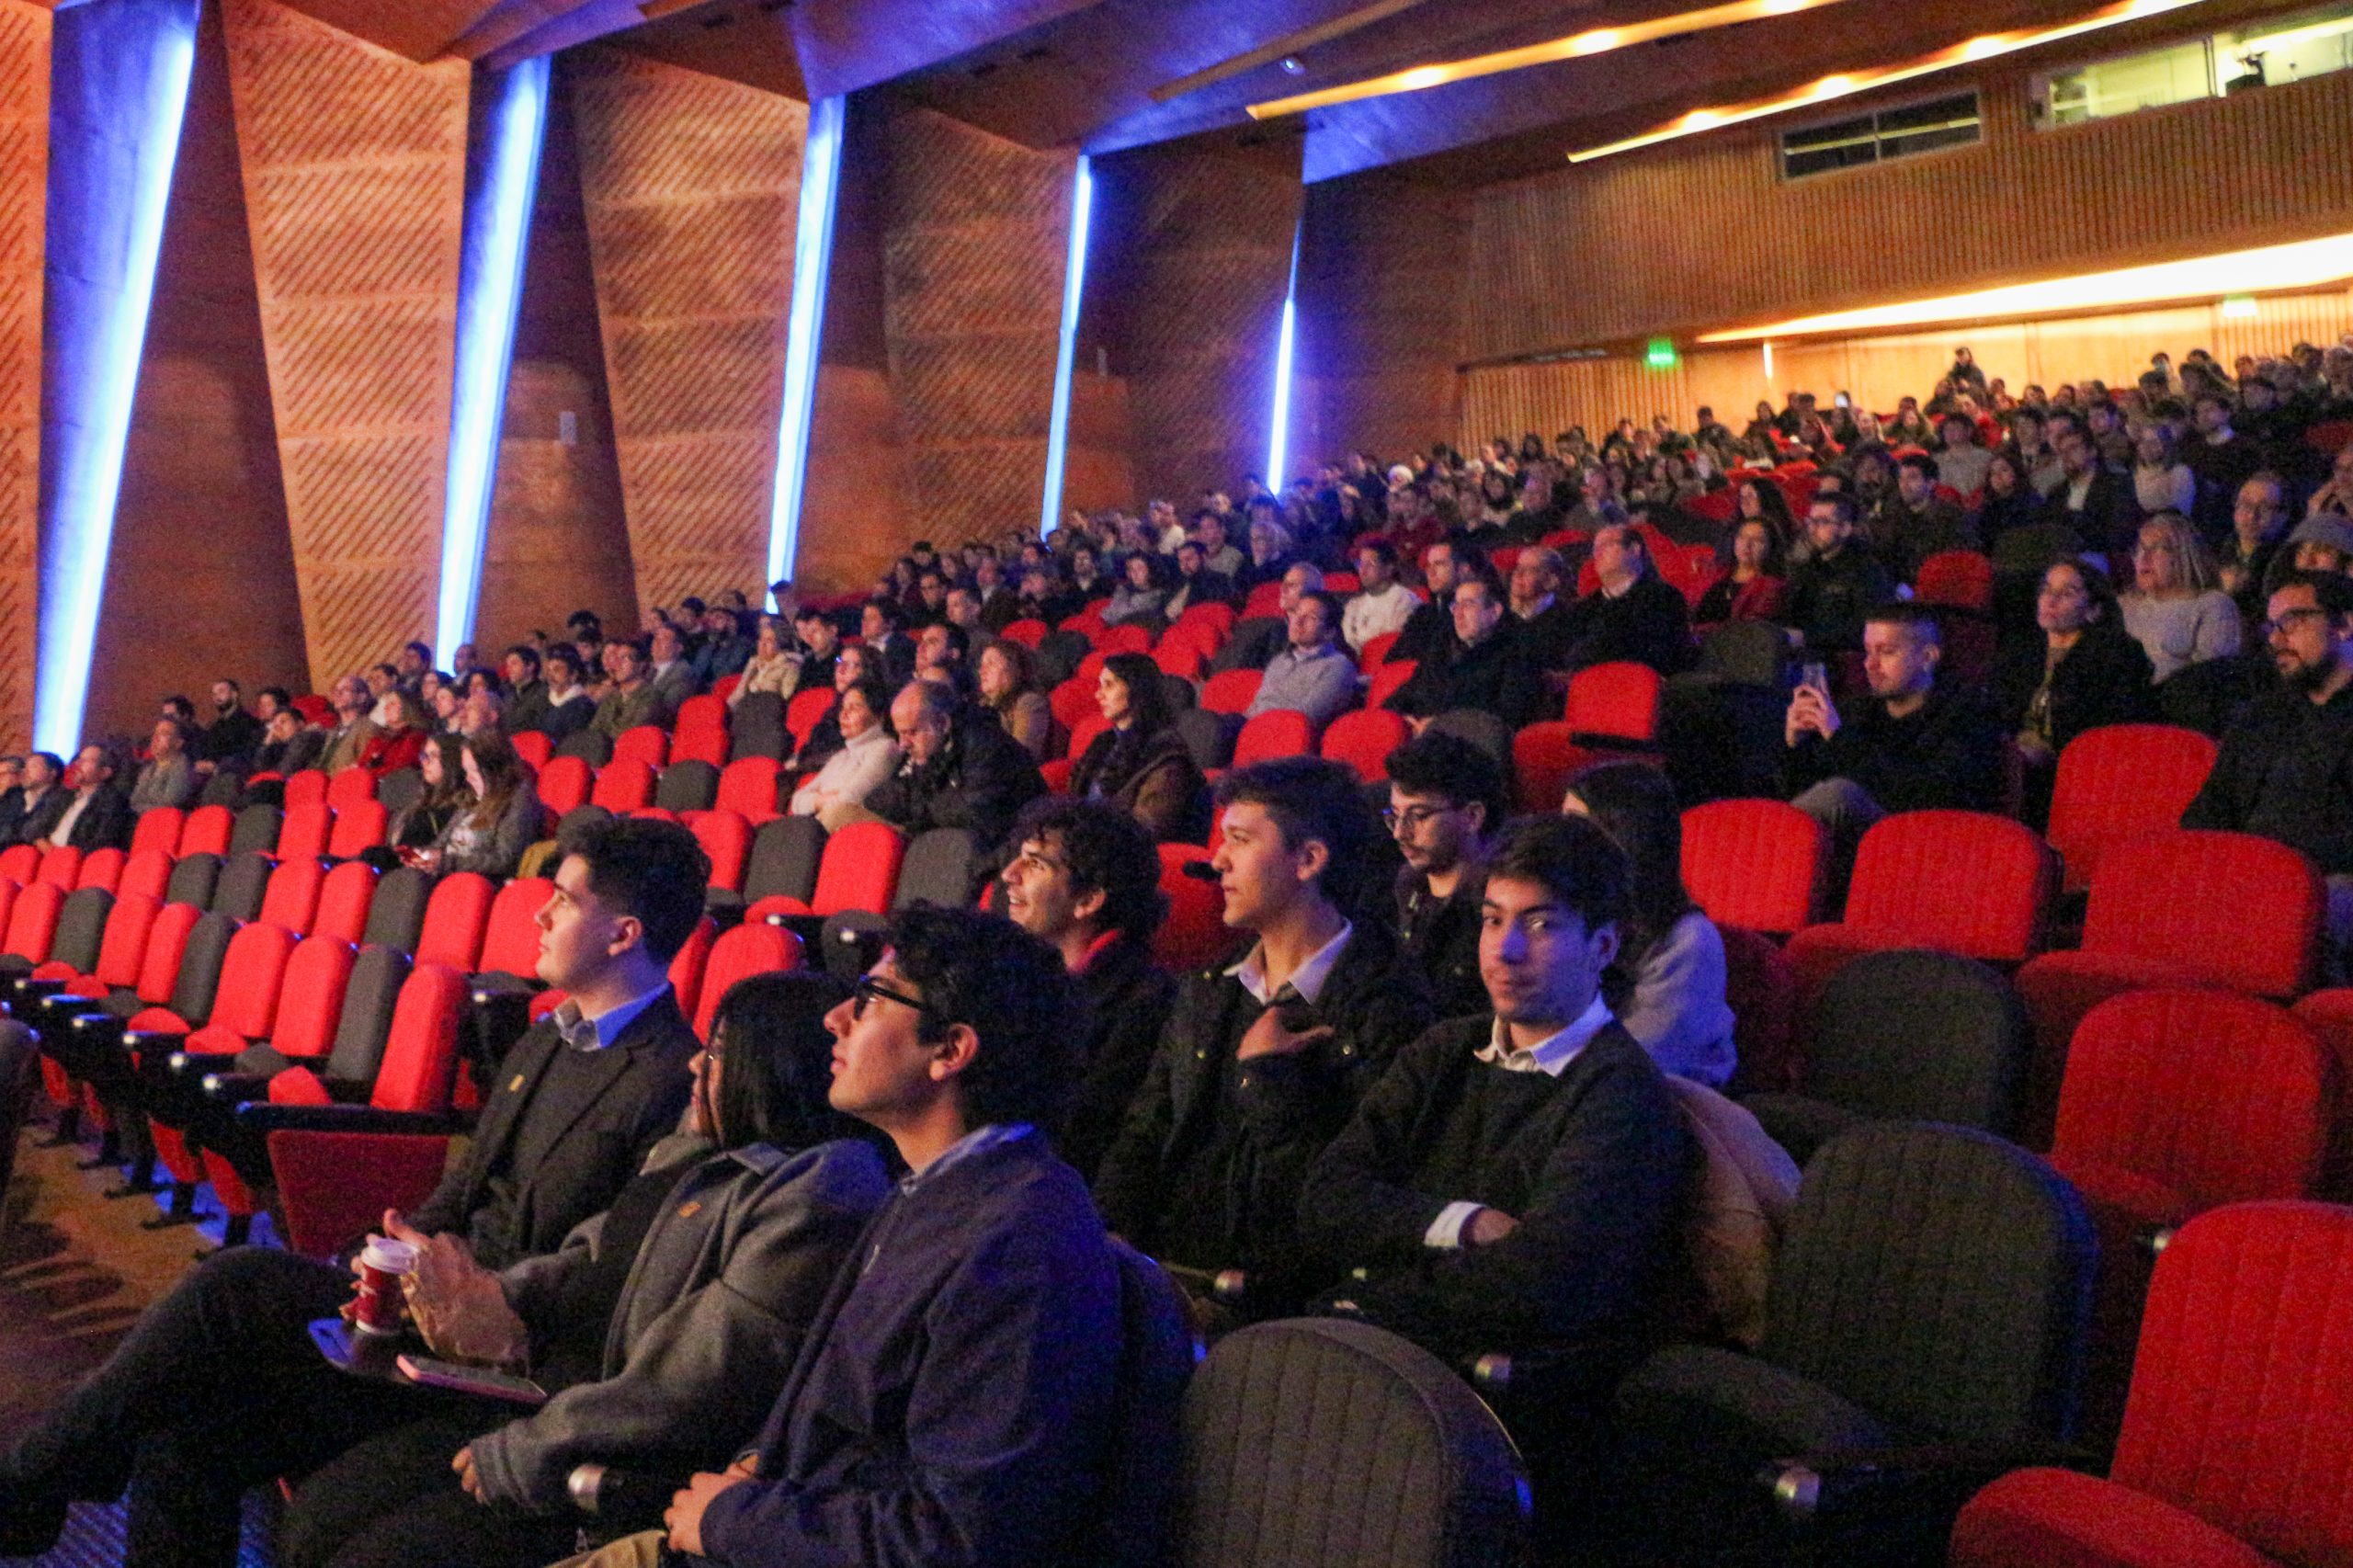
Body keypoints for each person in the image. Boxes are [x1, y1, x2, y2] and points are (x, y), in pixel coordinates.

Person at [0, 818, 708, 1566]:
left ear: (623, 934)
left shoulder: (672, 1081)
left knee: (233, 1283)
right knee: (185, 1437)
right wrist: (386, 1257)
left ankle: (29, 1482)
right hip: (421, 1314)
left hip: (495, 1362)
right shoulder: (544, 1037)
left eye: (564, 899)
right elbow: (465, 1185)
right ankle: (37, 1482)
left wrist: (470, 1293)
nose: (541, 913)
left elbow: (605, 1272)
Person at [269, 972, 891, 1568]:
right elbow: (590, 1254)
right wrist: (479, 1296)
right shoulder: (694, 1149)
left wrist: (528, 1448)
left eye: (721, 1052)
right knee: (317, 1516)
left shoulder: (817, 1189)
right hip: (539, 1397)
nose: (695, 1064)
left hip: (598, 1458)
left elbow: (691, 1384)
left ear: (776, 1069)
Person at [614, 906, 1135, 1568]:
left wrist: (734, 1519)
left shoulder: (1020, 1244)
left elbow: (957, 1538)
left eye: (869, 1000)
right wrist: (758, 1466)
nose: (835, 1019)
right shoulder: (935, 1191)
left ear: (950, 1050)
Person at [1296, 812, 1694, 1361]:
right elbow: (1325, 1200)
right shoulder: (1444, 1050)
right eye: (1492, 920)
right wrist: (1468, 1223)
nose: (1505, 949)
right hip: (1369, 1344)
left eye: (1540, 925)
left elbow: (1544, 1284)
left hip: (1480, 1385)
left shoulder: (1622, 1095)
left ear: (1603, 946)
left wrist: (1372, 1290)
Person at [1095, 757, 1434, 1310]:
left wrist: (1267, 1079)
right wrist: (1108, 1232)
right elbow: (1146, 1127)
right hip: (1162, 1275)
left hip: (1274, 1303)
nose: (1217, 860)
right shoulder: (1211, 984)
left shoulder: (1390, 1005)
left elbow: (1349, 1200)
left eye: (1240, 839)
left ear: (1308, 860)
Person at [999, 797, 1176, 1181]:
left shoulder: (1141, 1005)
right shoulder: (1016, 973)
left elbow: (1080, 1138)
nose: (1009, 873)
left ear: (1088, 900)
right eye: (1018, 858)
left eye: (1035, 864)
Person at [2183, 573, 2353, 950]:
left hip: (2324, 879)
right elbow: (2209, 811)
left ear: (2344, 625)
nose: (2276, 640)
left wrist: (2280, 864)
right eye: (2272, 626)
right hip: (2247, 873)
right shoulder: (2261, 716)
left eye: (2291, 622)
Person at [1560, 762, 1736, 1088]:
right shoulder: (1568, 913)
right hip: (1579, 1090)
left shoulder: (1688, 940)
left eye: (1576, 827)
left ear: (1622, 838)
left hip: (1665, 1100)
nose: (1558, 842)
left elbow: (1639, 1063)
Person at [1784, 601, 2006, 858]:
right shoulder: (1858, 711)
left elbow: (1924, 798)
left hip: (1930, 848)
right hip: (1857, 853)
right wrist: (1796, 745)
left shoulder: (1968, 714)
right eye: (1867, 651)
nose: (1870, 664)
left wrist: (1840, 739)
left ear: (1927, 657)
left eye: (1886, 652)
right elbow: (1800, 793)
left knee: (1838, 796)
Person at [1995, 557, 2157, 823]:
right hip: (2013, 760)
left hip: (2076, 770)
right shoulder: (2020, 652)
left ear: (2093, 609)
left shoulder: (2115, 655)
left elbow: (2110, 728)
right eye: (2046, 589)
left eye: (2067, 593)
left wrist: (2047, 751)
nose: (2051, 599)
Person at [1384, 729, 1506, 1021]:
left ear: (1472, 816)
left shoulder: (1499, 902)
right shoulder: (1406, 884)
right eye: (1395, 816)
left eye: (1418, 816)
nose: (1400, 833)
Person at [862, 681, 1045, 850]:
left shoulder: (987, 746)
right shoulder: (930, 750)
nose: (903, 745)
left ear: (943, 723)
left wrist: (921, 808)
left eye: (911, 732)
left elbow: (975, 813)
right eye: (899, 734)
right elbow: (878, 799)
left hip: (1019, 847)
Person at [1066, 652, 1210, 844]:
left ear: (1136, 689)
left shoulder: (1165, 752)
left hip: (1121, 849)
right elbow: (1073, 798)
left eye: (1109, 685)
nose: (1098, 695)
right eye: (1100, 686)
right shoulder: (1103, 742)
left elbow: (1147, 827)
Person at [1385, 574, 1549, 730]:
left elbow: (1508, 715)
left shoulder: (1518, 651)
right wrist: (1402, 720)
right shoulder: (1441, 648)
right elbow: (1408, 692)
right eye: (1455, 606)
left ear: (1494, 611)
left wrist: (1440, 725)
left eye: (1468, 604)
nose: (1458, 614)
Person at [1546, 522, 1696, 674]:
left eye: (1607, 544)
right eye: (1595, 549)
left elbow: (1658, 654)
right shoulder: (1584, 607)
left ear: (1634, 549)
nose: (1598, 553)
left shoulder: (1662, 596)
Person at [2120, 512, 2242, 683]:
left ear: (2184, 556)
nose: (2144, 558)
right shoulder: (2124, 605)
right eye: (2139, 549)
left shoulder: (2213, 606)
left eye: (2158, 549)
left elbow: (2211, 679)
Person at [1782, 494, 1895, 653]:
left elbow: (1866, 628)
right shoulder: (1809, 566)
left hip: (1841, 659)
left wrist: (1807, 637)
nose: (1812, 529)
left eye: (1822, 522)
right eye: (1810, 521)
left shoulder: (1867, 571)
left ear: (1845, 529)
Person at [424, 731, 542, 879]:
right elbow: (442, 841)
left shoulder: (519, 800)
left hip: (477, 881)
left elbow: (505, 859)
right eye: (466, 771)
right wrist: (424, 857)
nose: (468, 778)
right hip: (446, 875)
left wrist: (448, 862)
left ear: (495, 770)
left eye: (474, 771)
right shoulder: (472, 797)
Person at [787, 676, 899, 832]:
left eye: (854, 708)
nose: (844, 714)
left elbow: (848, 801)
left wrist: (816, 799)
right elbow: (797, 801)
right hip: (823, 826)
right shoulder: (841, 756)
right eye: (843, 708)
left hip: (858, 831)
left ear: (879, 717)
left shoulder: (885, 748)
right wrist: (821, 800)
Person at [1245, 588, 1358, 731]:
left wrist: (1256, 722)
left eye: (1311, 617)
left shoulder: (1338, 667)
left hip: (1283, 733)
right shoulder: (1279, 660)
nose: (1298, 621)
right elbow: (1255, 705)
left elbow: (1306, 715)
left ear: (1329, 633)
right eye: (1296, 612)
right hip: (1252, 729)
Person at [32, 744, 134, 854]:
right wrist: (47, 849)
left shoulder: (113, 804)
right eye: (79, 759)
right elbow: (34, 829)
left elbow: (98, 846)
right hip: (48, 856)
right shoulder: (64, 796)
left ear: (105, 772)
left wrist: (60, 856)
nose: (77, 764)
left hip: (75, 861)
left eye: (87, 761)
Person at [974, 639, 1057, 763]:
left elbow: (1022, 757)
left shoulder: (1029, 703)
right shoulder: (980, 705)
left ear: (1014, 669)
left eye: (991, 663)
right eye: (981, 665)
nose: (982, 671)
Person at [1693, 517, 1787, 627]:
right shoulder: (1719, 573)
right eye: (1742, 537)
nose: (1747, 544)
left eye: (1757, 540)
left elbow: (1748, 627)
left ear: (1770, 547)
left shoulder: (1771, 587)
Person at [1342, 539, 1419, 653]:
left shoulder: (1405, 601)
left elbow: (1391, 642)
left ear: (1388, 569)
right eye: (1360, 564)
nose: (1362, 570)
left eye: (1370, 564)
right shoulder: (1354, 604)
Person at [591, 642, 670, 743]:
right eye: (616, 658)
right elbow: (593, 731)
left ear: (641, 665)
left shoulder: (651, 697)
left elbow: (629, 734)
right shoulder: (612, 697)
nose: (617, 664)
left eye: (624, 658)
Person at [129, 717, 199, 812]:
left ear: (178, 743)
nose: (155, 739)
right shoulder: (149, 768)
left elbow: (169, 804)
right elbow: (135, 801)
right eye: (155, 733)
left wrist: (145, 806)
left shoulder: (183, 769)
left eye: (163, 734)